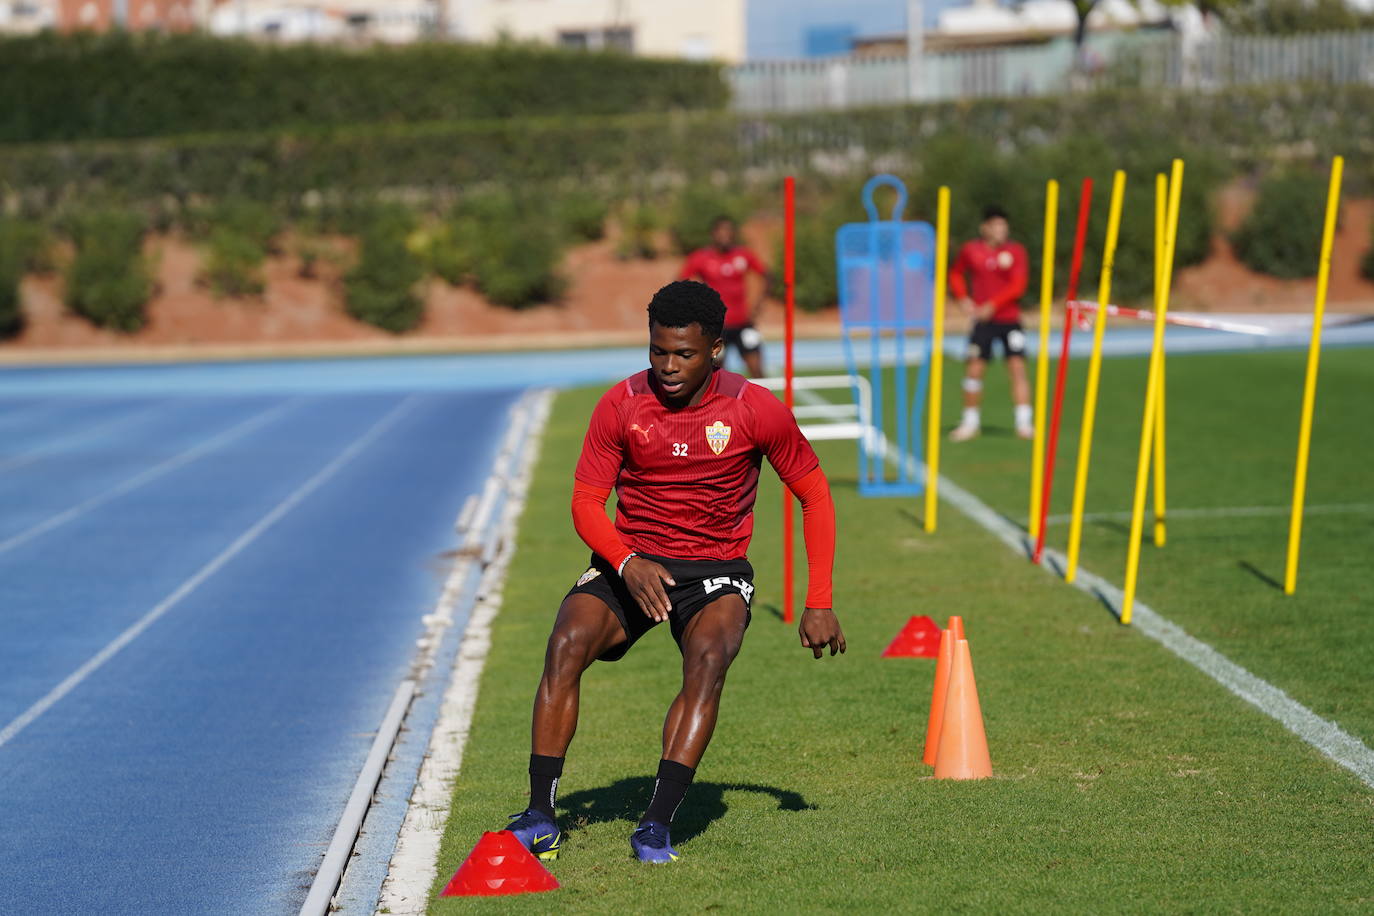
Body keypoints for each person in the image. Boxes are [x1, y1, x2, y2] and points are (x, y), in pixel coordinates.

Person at [502, 280, 844, 864]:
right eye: (657, 351)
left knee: (708, 661)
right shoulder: (620, 404)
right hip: (632, 558)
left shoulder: (754, 408)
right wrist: (628, 561)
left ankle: (655, 826)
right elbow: (586, 503)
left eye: (682, 353)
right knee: (565, 644)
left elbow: (814, 492)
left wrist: (819, 599)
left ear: (716, 348)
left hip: (716, 568)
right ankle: (540, 816)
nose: (666, 365)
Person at [947, 205, 1033, 442]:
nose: (1001, 230)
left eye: (1004, 225)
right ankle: (970, 422)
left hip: (1009, 320)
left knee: (1017, 368)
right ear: (984, 228)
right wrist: (963, 298)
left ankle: (1024, 423)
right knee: (974, 368)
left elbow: (1018, 285)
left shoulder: (1015, 251)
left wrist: (992, 305)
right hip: (982, 323)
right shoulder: (971, 250)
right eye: (995, 225)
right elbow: (955, 274)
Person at [679, 216, 772, 378]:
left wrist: (758, 306)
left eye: (729, 231)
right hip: (717, 327)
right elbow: (680, 284)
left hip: (744, 324)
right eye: (721, 231)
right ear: (713, 234)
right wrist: (697, 311)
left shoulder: (743, 255)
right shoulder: (701, 258)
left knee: (758, 371)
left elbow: (768, 276)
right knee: (717, 376)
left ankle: (759, 403)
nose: (725, 235)